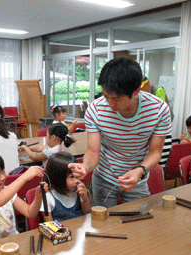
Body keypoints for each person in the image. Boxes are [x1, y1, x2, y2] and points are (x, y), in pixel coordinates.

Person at [69, 57, 172, 207]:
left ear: (136, 91)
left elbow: (155, 152)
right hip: (103, 177)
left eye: (116, 99)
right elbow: (93, 151)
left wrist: (140, 171)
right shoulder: (96, 109)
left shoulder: (158, 110)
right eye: (106, 96)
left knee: (138, 221)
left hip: (137, 178)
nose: (110, 104)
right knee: (103, 224)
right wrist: (85, 167)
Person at [41, 152, 92, 222]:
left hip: (81, 230)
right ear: (58, 178)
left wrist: (85, 198)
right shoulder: (48, 197)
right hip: (62, 231)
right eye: (72, 177)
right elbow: (49, 225)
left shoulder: (78, 191)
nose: (77, 180)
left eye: (77, 176)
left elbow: (88, 214)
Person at [140, 77, 173, 169]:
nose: (140, 91)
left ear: (147, 85)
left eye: (141, 88)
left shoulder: (158, 90)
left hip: (161, 126)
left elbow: (158, 111)